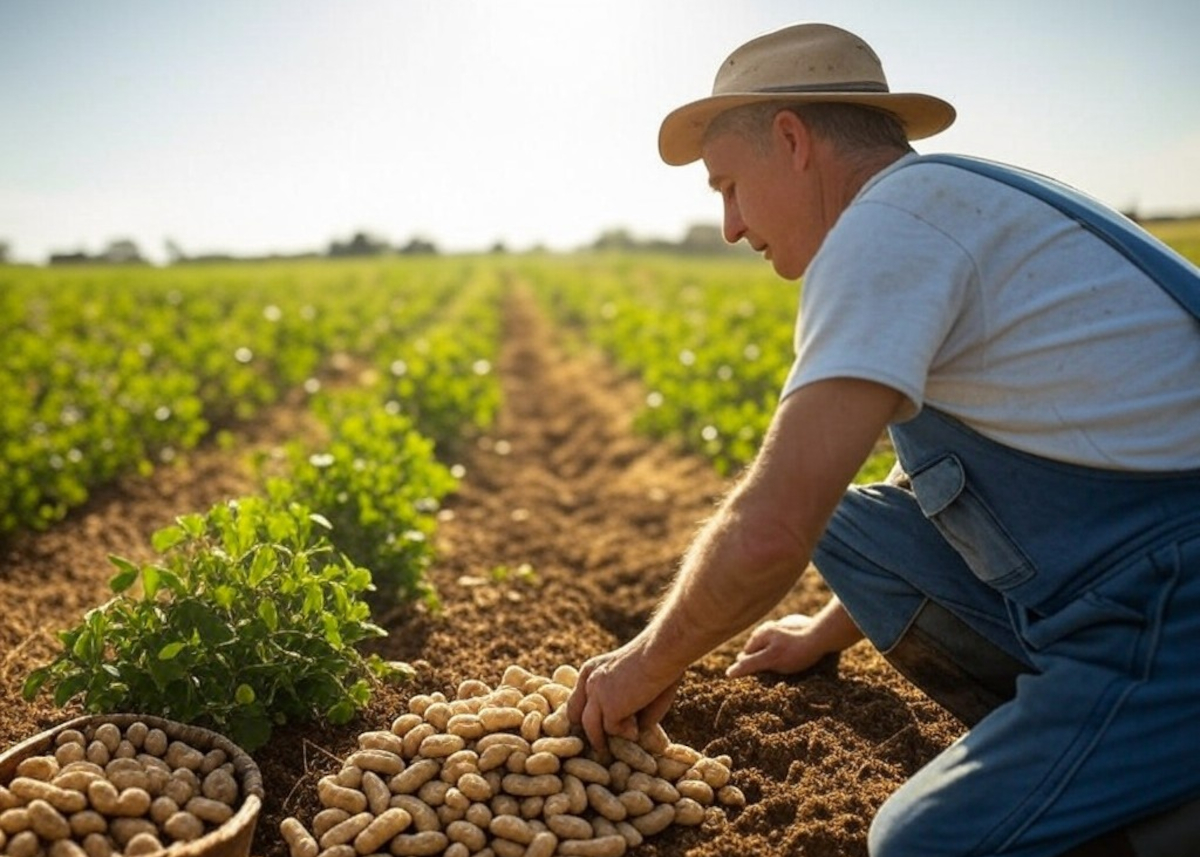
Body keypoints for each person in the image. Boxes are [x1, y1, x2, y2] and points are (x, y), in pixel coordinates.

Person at [565, 21, 1200, 857]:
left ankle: (1153, 800)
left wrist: (647, 661)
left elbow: (770, 529)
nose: (729, 225)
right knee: (848, 518)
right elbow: (946, 487)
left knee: (917, 844)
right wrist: (818, 635)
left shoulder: (886, 230)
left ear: (792, 140)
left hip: (1166, 603)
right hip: (1109, 572)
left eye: (729, 186)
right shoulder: (952, 198)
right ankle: (1088, 743)